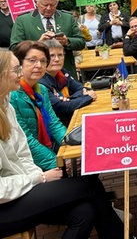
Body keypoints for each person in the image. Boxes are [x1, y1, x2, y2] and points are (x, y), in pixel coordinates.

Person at [0, 49, 124, 239]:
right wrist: (39, 178)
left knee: (85, 211)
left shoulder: (6, 104)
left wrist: (37, 175)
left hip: (20, 189)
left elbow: (22, 153)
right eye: (16, 69)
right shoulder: (14, 99)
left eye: (43, 60)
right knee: (89, 185)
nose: (21, 73)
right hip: (5, 206)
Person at [10, 41, 69, 170]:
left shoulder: (41, 89)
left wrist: (70, 145)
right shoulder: (12, 95)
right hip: (27, 163)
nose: (39, 65)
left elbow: (53, 123)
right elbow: (27, 140)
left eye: (43, 61)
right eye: (32, 60)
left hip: (47, 147)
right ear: (19, 62)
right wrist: (58, 163)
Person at [10, 0, 85, 80]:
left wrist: (66, 41)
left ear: (57, 3)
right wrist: (38, 44)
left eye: (53, 5)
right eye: (45, 5)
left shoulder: (68, 18)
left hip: (65, 73)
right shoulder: (23, 20)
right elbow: (14, 48)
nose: (49, 8)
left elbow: (81, 42)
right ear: (36, 2)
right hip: (35, 75)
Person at [38, 40, 96, 126]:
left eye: (60, 55)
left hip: (69, 119)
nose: (57, 59)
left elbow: (81, 88)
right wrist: (88, 97)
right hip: (54, 128)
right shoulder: (40, 81)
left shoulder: (62, 72)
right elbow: (60, 107)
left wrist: (68, 99)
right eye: (52, 56)